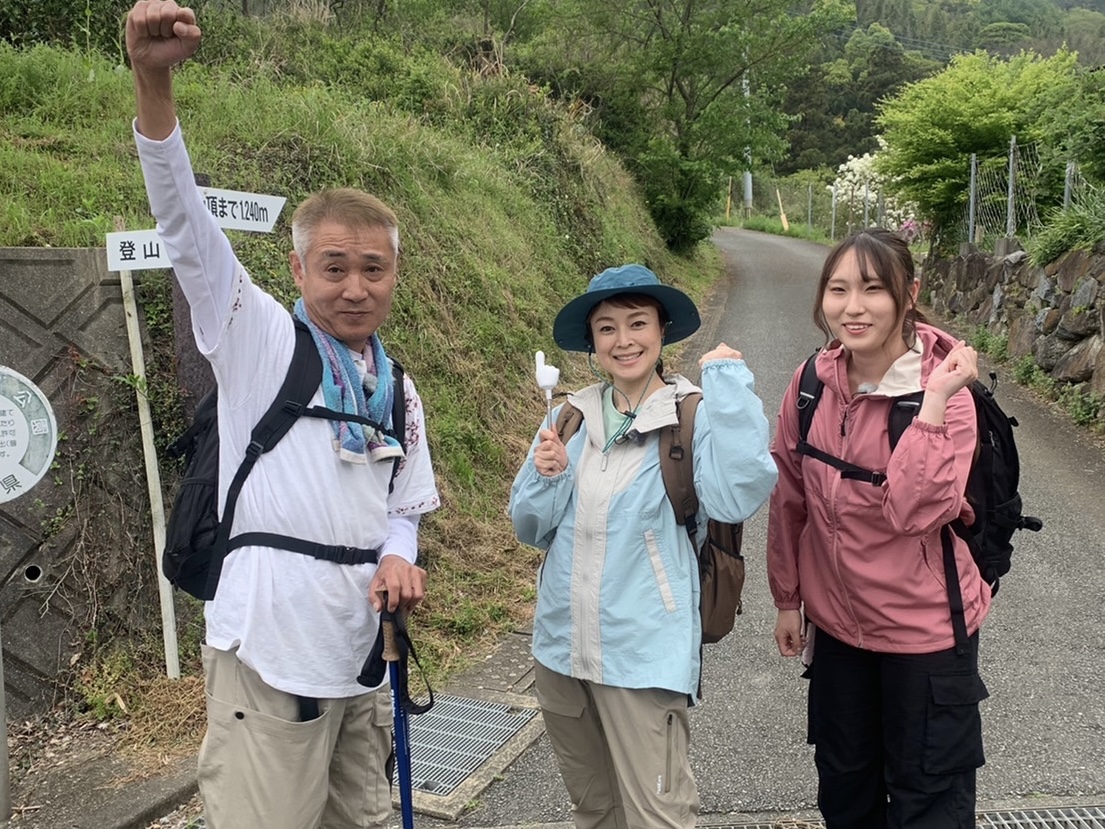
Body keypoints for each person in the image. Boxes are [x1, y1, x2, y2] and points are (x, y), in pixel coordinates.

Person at [124, 3, 440, 827]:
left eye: (373, 268)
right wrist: (153, 83)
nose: (355, 287)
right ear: (297, 270)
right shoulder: (258, 340)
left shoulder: (397, 389)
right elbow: (185, 226)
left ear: (393, 275)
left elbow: (402, 507)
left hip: (361, 655)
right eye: (333, 267)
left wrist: (398, 557)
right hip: (268, 652)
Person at [509, 264, 777, 829]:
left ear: (662, 331)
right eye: (606, 328)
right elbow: (530, 529)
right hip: (561, 649)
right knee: (594, 809)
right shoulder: (568, 417)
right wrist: (547, 476)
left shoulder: (692, 415)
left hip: (644, 655)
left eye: (637, 323)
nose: (623, 340)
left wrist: (729, 383)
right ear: (592, 342)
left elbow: (737, 494)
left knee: (659, 817)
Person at [767, 228, 990, 829]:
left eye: (872, 289)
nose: (853, 307)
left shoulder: (948, 394)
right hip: (839, 632)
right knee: (846, 794)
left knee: (928, 804)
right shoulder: (811, 385)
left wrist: (934, 404)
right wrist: (788, 599)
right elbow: (789, 497)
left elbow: (916, 513)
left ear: (908, 294)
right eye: (838, 289)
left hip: (924, 637)